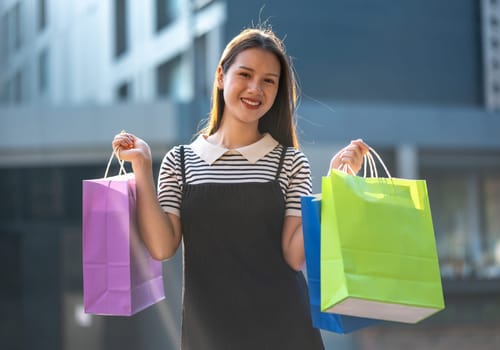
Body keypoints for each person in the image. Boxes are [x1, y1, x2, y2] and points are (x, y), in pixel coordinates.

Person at [112, 27, 368, 350]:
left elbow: (293, 255)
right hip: (209, 335)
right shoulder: (180, 162)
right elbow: (162, 247)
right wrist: (142, 166)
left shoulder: (290, 162)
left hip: (286, 333)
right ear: (221, 76)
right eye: (245, 75)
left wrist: (334, 186)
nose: (255, 89)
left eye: (268, 81)